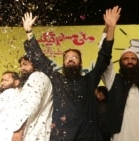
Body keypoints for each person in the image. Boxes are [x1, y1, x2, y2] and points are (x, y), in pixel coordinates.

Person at [22, 5, 121, 140]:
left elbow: (104, 56)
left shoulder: (89, 80)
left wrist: (110, 29)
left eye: (74, 57)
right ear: (63, 63)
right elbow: (40, 59)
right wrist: (28, 31)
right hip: (61, 135)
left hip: (88, 135)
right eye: (67, 58)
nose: (70, 60)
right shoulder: (57, 79)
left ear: (80, 63)